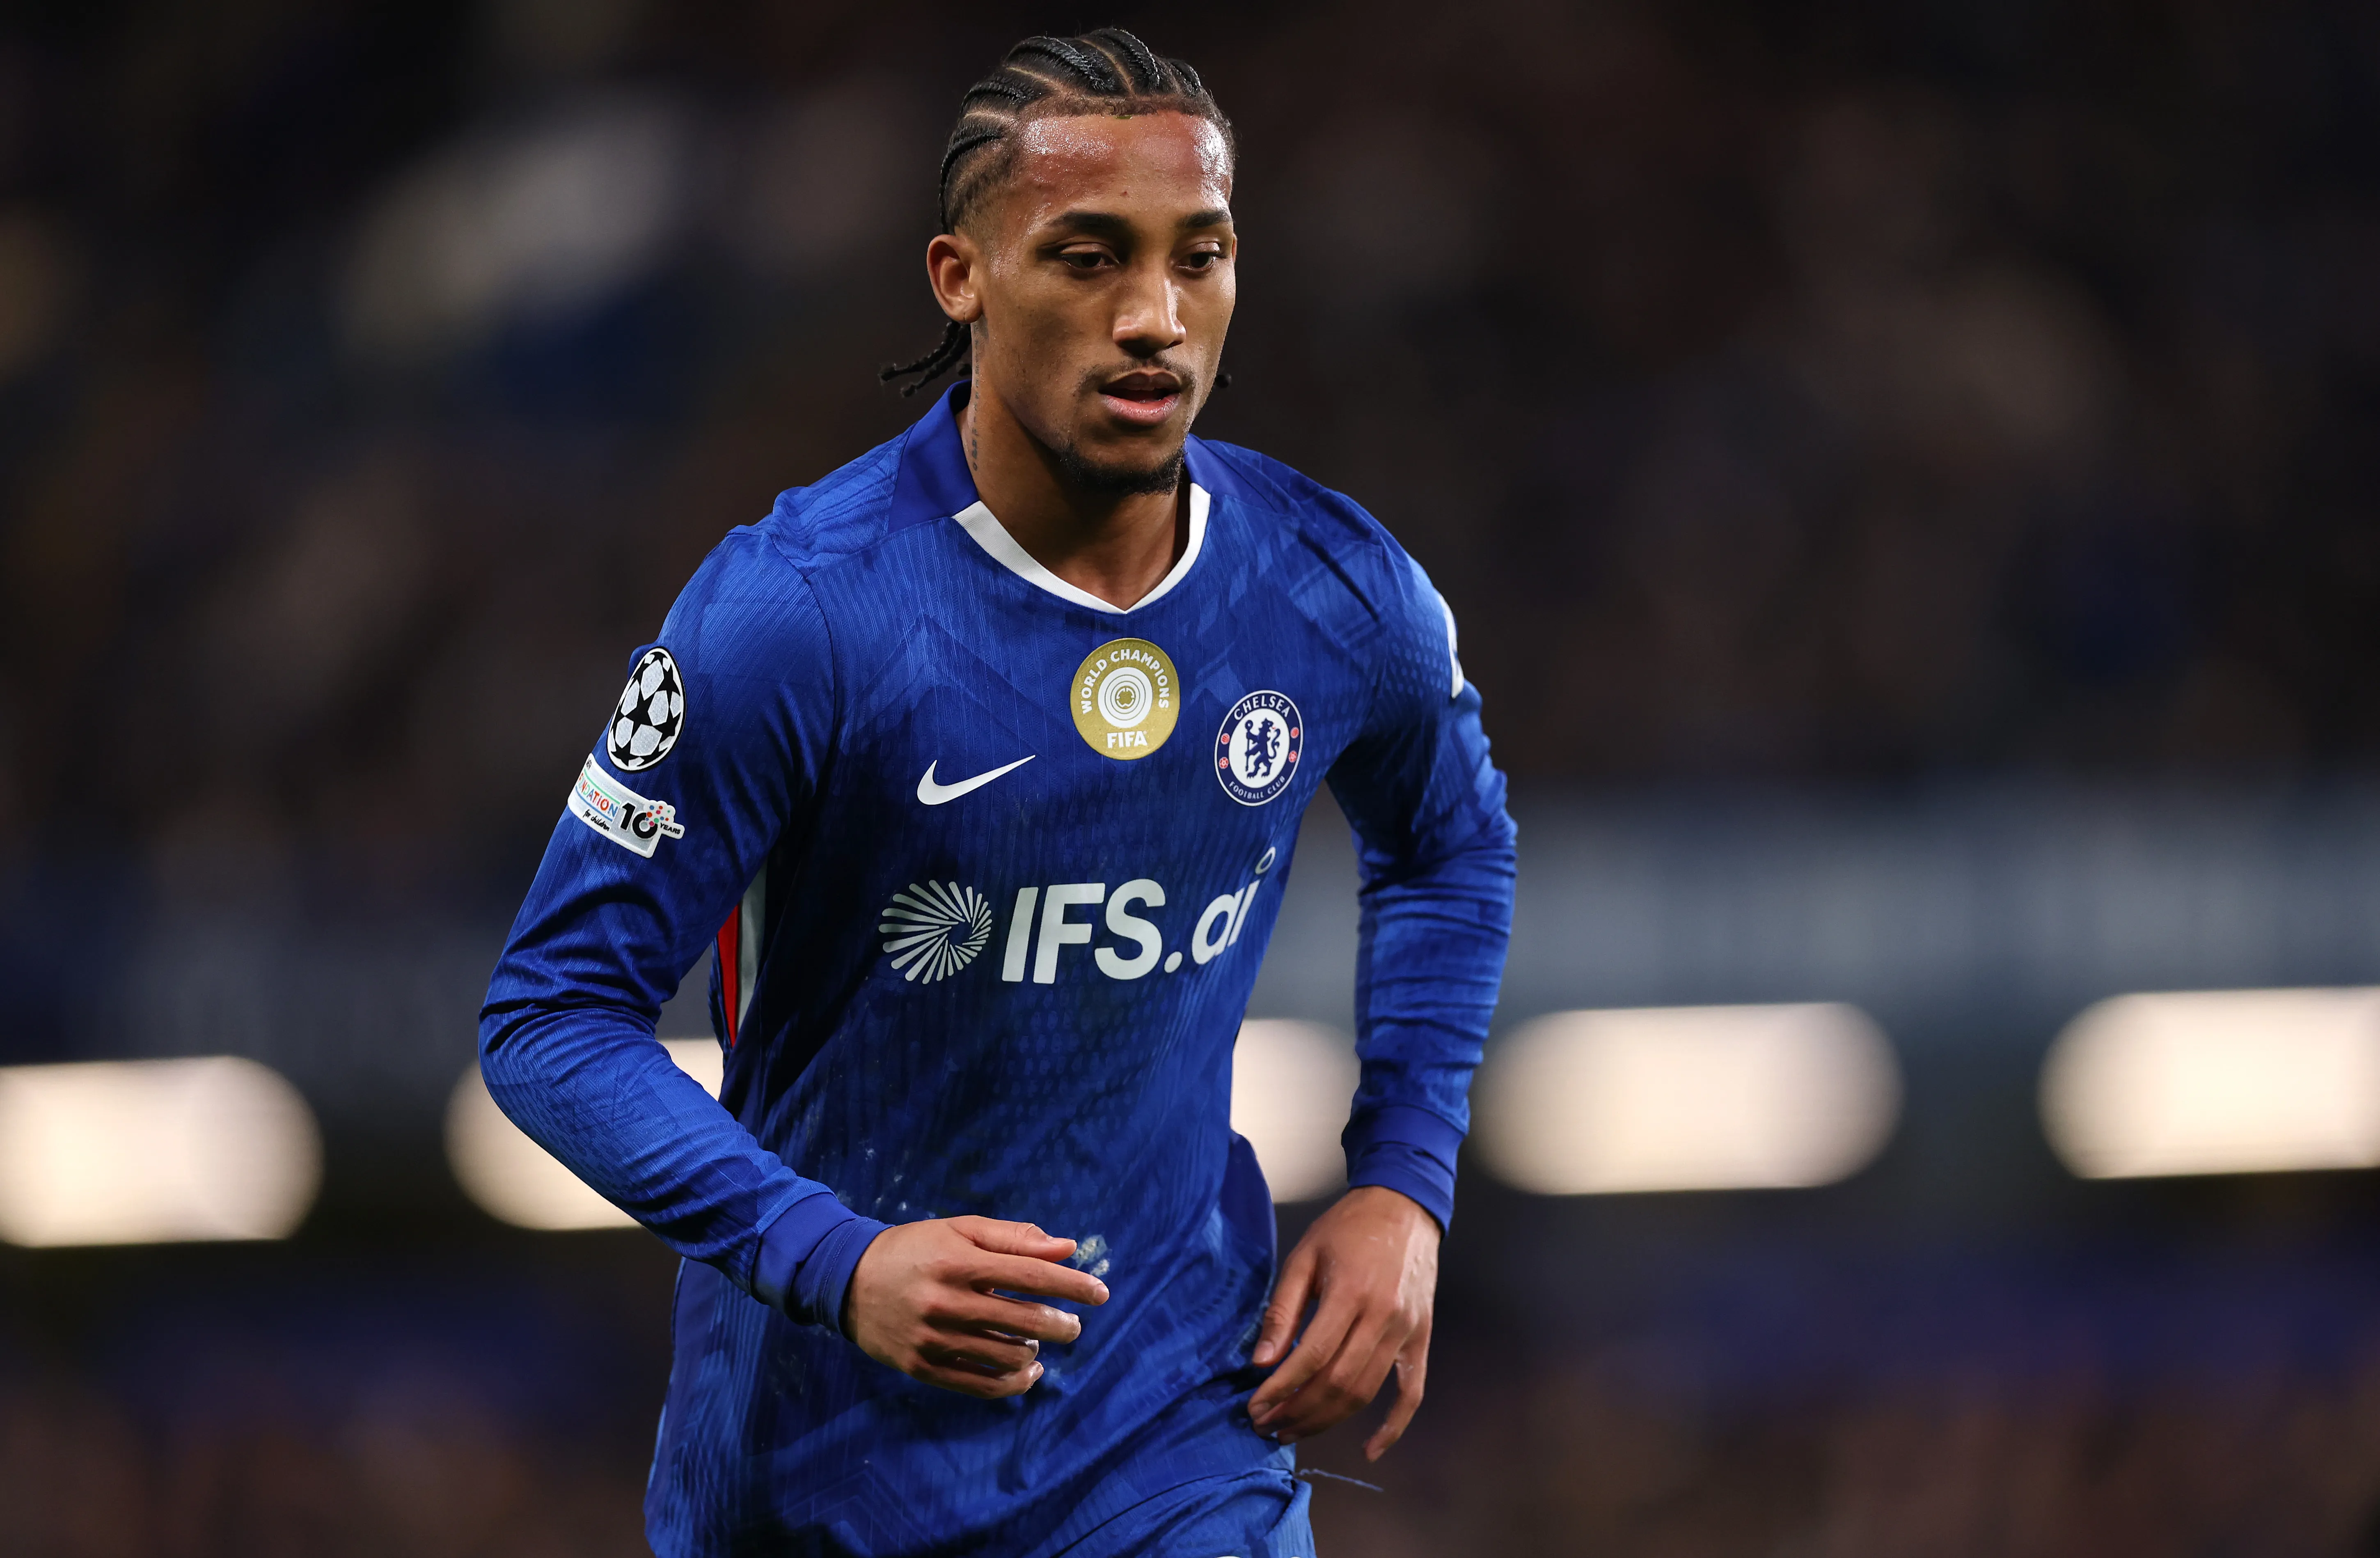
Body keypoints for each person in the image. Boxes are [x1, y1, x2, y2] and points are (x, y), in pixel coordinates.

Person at [479, 28, 1514, 1558]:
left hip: (1175, 1442)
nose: (1155, 319)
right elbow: (550, 1019)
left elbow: (1450, 850)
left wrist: (1403, 1186)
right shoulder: (802, 615)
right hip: (822, 1475)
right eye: (1087, 258)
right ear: (959, 278)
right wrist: (836, 1260)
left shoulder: (1331, 591)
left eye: (1200, 258)